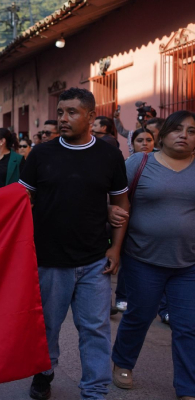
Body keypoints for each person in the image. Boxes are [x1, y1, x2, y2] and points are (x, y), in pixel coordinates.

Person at [19, 88, 130, 400]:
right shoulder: (41, 154)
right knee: (48, 328)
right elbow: (20, 200)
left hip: (95, 259)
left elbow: (122, 204)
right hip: (50, 260)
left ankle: (95, 391)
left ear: (91, 117)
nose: (63, 119)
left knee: (95, 329)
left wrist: (115, 248)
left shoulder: (109, 155)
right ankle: (44, 373)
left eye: (72, 112)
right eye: (60, 112)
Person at [109, 110, 195, 400]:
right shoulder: (140, 162)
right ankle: (123, 362)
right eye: (178, 129)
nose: (184, 135)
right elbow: (116, 199)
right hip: (143, 258)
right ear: (164, 134)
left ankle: (187, 387)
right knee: (140, 315)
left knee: (188, 325)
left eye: (192, 131)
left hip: (189, 262)